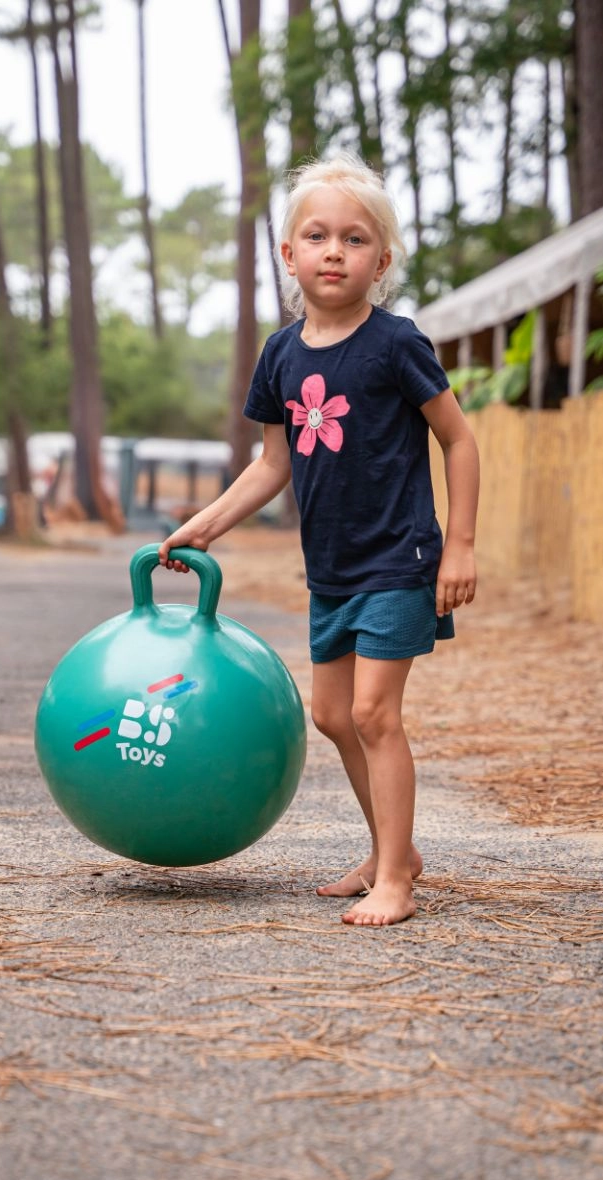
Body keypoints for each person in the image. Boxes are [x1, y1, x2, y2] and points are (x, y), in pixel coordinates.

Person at [158, 151, 480, 927]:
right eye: (317, 236)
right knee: (333, 715)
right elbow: (272, 465)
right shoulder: (280, 354)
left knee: (374, 714)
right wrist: (203, 525)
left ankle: (394, 881)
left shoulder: (396, 343)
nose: (334, 251)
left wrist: (460, 545)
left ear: (381, 261)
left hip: (399, 559)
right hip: (331, 568)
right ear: (289, 253)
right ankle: (393, 852)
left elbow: (458, 440)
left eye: (354, 239)